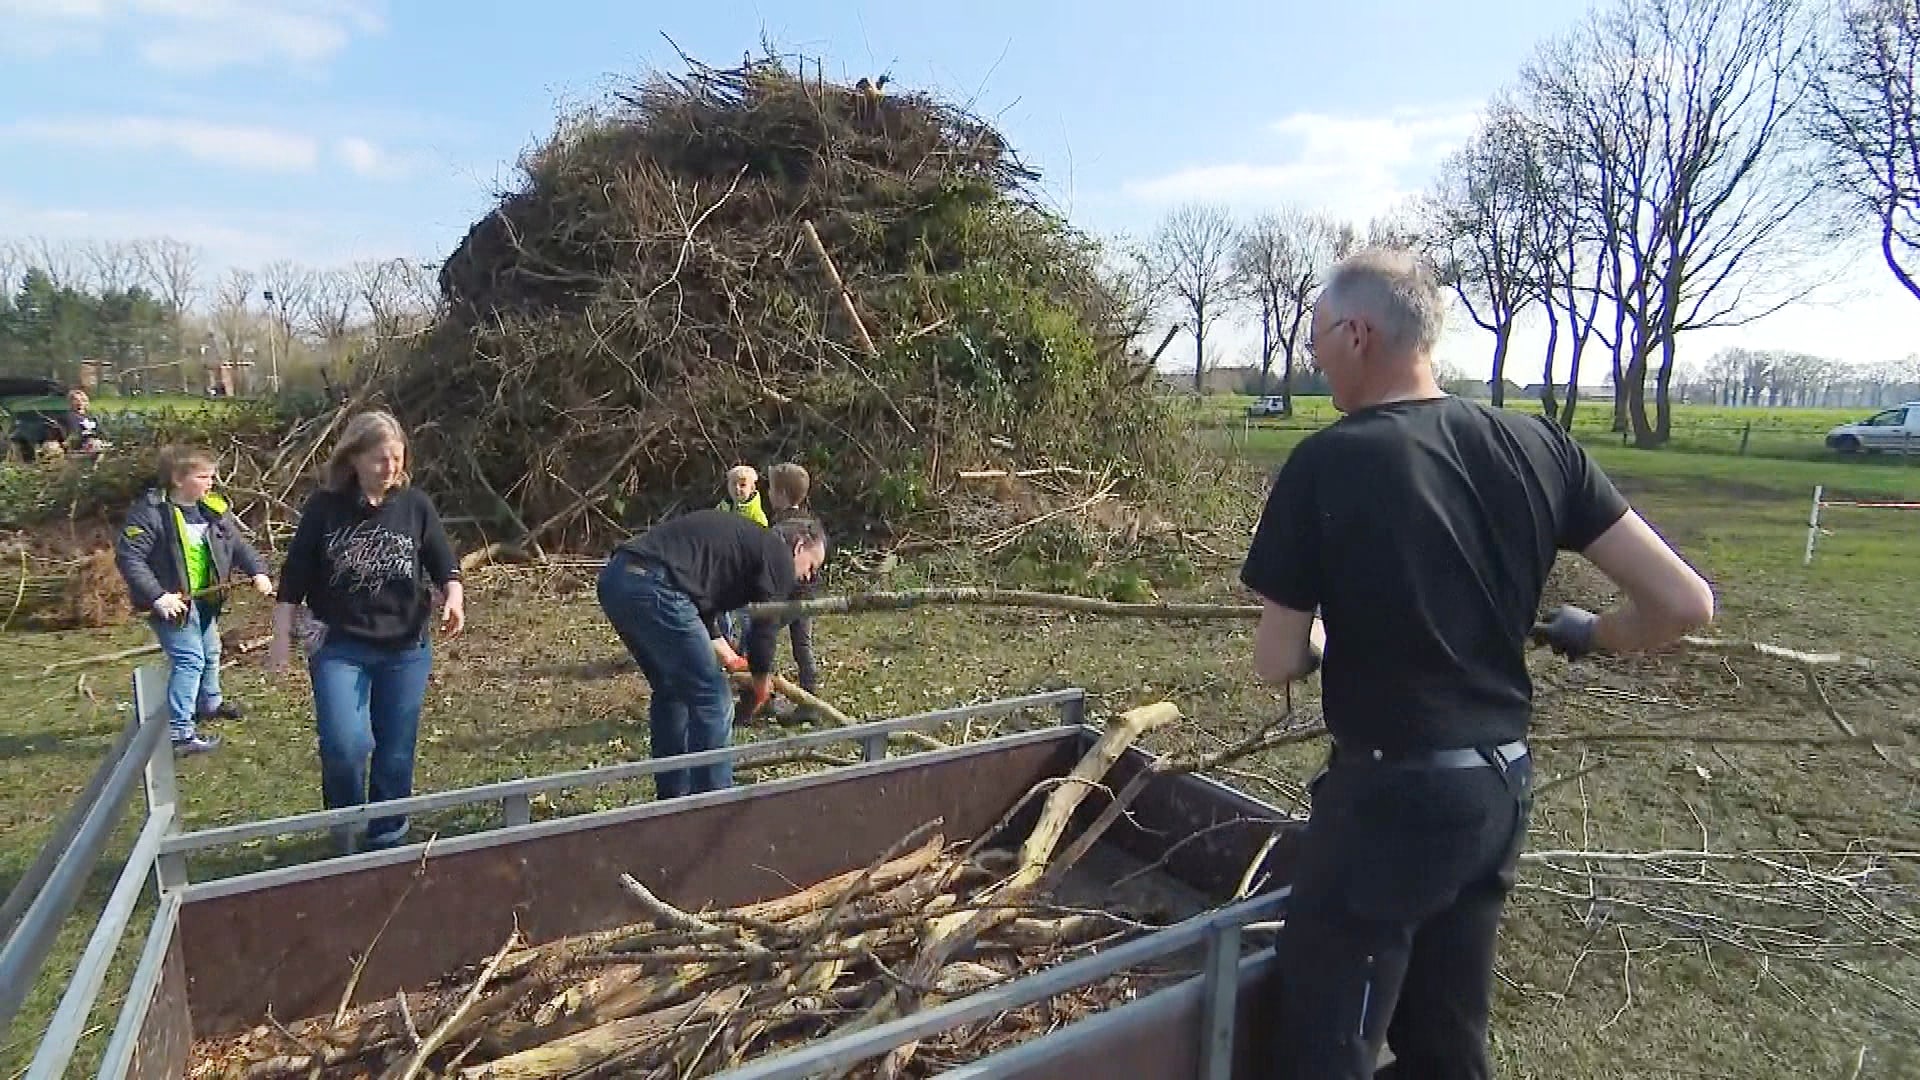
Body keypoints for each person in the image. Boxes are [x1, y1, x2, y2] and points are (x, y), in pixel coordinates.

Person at [1240, 247, 1716, 1079]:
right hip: (1497, 789)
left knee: (1323, 1050)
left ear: (1358, 335)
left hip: (1388, 806)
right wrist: (1595, 633)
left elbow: (1277, 658)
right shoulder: (1538, 444)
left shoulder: (1329, 460)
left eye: (1316, 341)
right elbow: (1683, 603)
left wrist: (1321, 647)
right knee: (1444, 1048)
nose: (1315, 360)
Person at [266, 410, 465, 853]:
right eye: (379, 458)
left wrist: (454, 597)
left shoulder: (415, 506)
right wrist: (281, 637)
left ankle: (388, 836)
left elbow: (444, 564)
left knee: (396, 749)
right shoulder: (324, 509)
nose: (390, 467)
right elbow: (293, 580)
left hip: (406, 648)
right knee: (346, 744)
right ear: (353, 458)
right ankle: (345, 828)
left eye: (397, 456)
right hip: (340, 646)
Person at [597, 509, 828, 799]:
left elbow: (700, 603)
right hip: (657, 586)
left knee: (672, 692)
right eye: (812, 564)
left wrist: (729, 656)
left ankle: (674, 796)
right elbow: (765, 623)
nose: (809, 575)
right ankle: (713, 800)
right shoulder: (778, 554)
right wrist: (761, 680)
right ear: (799, 546)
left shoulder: (743, 547)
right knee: (713, 699)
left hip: (618, 580)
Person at [114, 445, 275, 755]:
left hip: (205, 601)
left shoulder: (212, 510)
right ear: (178, 479)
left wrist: (258, 571)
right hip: (172, 606)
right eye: (203, 477)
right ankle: (179, 733)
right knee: (190, 660)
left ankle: (209, 704)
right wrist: (158, 596)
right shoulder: (150, 513)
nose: (211, 483)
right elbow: (130, 558)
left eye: (212, 476)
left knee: (211, 651)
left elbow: (239, 546)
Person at [765, 462, 821, 697]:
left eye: (771, 489)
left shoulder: (778, 530)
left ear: (781, 494)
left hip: (783, 597)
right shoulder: (813, 525)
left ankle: (764, 695)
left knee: (762, 639)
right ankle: (810, 693)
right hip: (808, 593)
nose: (768, 493)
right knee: (803, 645)